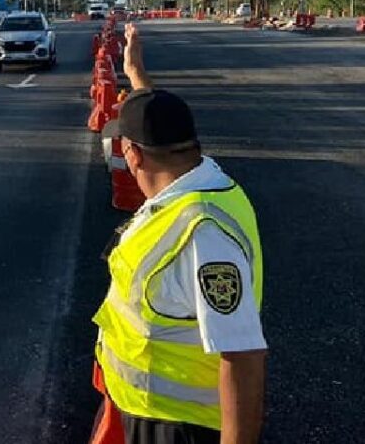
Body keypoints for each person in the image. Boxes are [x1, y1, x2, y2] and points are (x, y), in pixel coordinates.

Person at [89, 23, 267, 444]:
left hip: (176, 427)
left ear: (131, 154)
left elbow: (242, 355)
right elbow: (157, 121)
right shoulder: (200, 176)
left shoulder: (203, 233)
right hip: (140, 406)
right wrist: (136, 75)